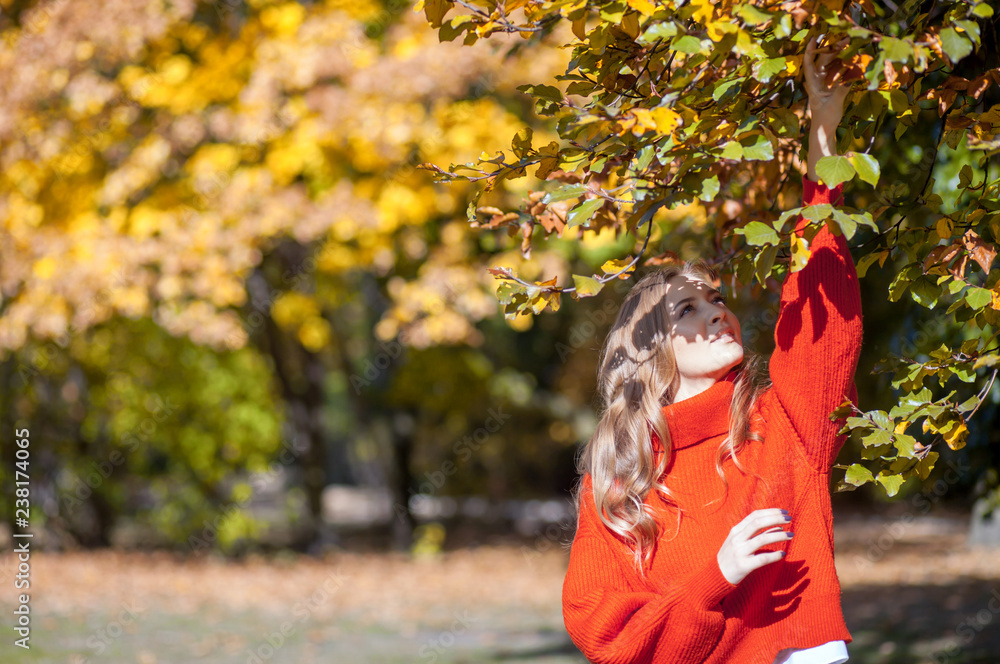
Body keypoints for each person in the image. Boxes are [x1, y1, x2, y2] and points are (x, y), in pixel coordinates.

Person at [561, 35, 863, 664]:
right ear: (649, 352)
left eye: (717, 299)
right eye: (687, 309)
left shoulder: (782, 423)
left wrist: (823, 139)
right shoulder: (617, 480)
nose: (718, 312)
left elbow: (822, 317)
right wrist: (717, 573)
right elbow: (607, 638)